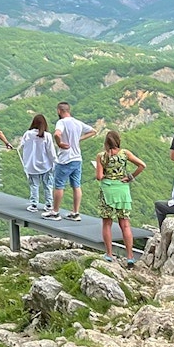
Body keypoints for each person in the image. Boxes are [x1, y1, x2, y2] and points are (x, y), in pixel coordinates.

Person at [95, 130, 146, 264]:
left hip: (107, 192)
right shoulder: (125, 154)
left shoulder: (101, 156)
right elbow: (142, 165)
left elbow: (99, 177)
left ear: (106, 142)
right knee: (125, 225)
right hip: (123, 191)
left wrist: (105, 174)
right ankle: (130, 256)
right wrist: (130, 177)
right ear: (118, 141)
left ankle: (109, 255)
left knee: (107, 224)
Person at [45, 102, 97, 221]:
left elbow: (57, 134)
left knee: (59, 186)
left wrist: (59, 143)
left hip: (65, 159)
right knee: (76, 186)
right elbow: (93, 131)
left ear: (59, 111)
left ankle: (55, 212)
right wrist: (79, 139)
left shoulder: (61, 122)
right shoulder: (78, 123)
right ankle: (75, 212)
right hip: (77, 158)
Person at [19, 113, 56, 212]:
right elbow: (51, 151)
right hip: (45, 164)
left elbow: (21, 146)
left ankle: (34, 204)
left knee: (34, 185)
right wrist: (54, 162)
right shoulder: (47, 135)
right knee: (48, 185)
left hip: (31, 165)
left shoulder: (27, 134)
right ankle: (49, 205)